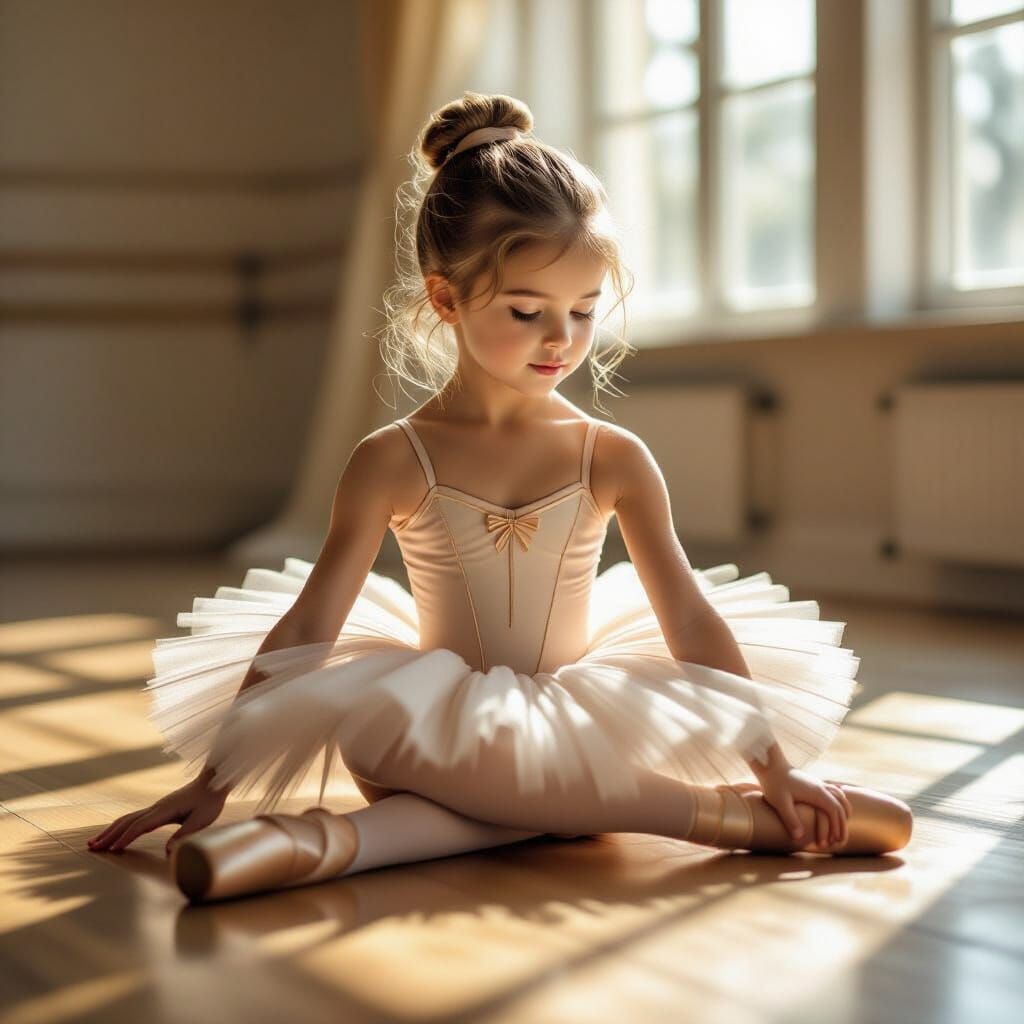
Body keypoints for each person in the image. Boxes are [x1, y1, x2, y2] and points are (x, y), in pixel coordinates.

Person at [87, 92, 913, 902]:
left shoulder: (613, 456)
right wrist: (215, 779)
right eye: (527, 311)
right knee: (520, 780)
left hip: (576, 720)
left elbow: (691, 619)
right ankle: (724, 822)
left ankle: (322, 848)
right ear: (445, 299)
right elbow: (310, 625)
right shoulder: (390, 459)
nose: (561, 339)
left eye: (584, 312)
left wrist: (774, 764)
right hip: (431, 730)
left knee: (533, 788)